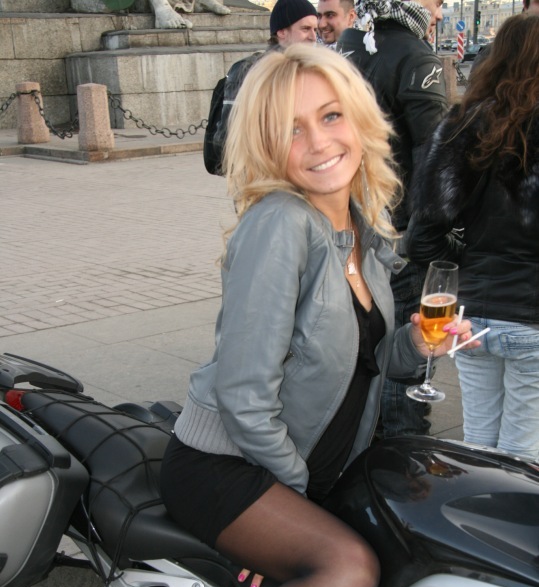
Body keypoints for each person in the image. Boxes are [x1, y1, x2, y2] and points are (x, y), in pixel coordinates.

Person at [109, 44, 476, 587]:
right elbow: (244, 393)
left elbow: (373, 363)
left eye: (330, 116)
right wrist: (297, 499)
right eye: (291, 129)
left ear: (359, 118)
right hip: (228, 464)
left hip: (296, 463)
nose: (317, 142)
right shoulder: (281, 223)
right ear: (266, 146)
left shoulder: (359, 229)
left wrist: (419, 344)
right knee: (347, 568)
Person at [407, 13, 539, 461]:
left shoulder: (462, 126)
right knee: (522, 456)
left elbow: (421, 239)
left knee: (478, 445)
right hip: (532, 319)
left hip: (471, 316)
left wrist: (468, 260)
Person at [337, 0, 448, 438]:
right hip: (397, 230)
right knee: (404, 353)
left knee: (358, 343)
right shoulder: (415, 55)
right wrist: (430, 236)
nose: (438, 13)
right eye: (437, 3)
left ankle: (363, 442)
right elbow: (434, 162)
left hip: (346, 224)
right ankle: (400, 456)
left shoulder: (346, 45)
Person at [204, 0, 317, 175]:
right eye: (305, 29)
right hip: (263, 180)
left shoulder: (310, 72)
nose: (313, 36)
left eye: (315, 29)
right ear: (281, 32)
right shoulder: (248, 71)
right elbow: (226, 140)